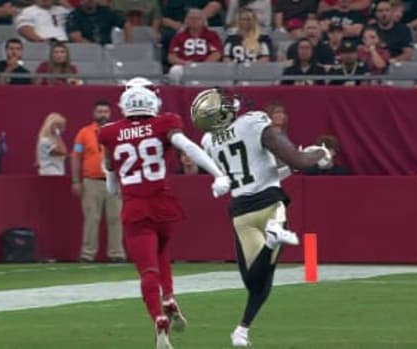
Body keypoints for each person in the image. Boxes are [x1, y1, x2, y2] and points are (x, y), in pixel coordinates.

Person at [191, 88, 331, 347]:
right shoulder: (253, 122)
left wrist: (291, 165)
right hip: (269, 205)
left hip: (241, 211)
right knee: (263, 276)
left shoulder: (208, 142)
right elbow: (297, 160)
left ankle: (242, 330)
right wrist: (320, 153)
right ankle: (272, 240)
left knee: (254, 281)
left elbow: (257, 171)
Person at [99, 78, 231, 349]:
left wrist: (115, 186)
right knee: (162, 253)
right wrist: (218, 174)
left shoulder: (110, 132)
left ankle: (159, 318)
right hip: (163, 204)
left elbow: (111, 175)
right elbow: (189, 147)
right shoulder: (164, 123)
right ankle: (168, 296)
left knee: (147, 270)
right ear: (151, 102)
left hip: (135, 207)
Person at [71, 100, 126, 263]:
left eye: (105, 112)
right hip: (91, 181)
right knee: (91, 218)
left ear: (110, 114)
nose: (102, 115)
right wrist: (76, 180)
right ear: (94, 113)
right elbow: (76, 156)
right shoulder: (84, 132)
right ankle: (88, 254)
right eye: (99, 112)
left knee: (116, 218)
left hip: (113, 181)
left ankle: (116, 253)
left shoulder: (118, 131)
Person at [167, 9, 223, 84]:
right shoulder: (179, 36)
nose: (194, 21)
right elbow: (172, 57)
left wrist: (202, 65)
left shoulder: (212, 35)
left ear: (203, 21)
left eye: (197, 18)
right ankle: (177, 93)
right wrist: (186, 63)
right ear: (186, 21)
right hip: (185, 65)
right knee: (174, 70)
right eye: (191, 18)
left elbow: (216, 54)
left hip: (206, 65)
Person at [66, 0, 131, 44]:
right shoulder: (74, 15)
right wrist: (95, 48)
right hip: (85, 50)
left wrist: (127, 44)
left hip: (107, 49)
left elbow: (126, 24)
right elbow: (75, 37)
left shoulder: (105, 12)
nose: (90, 1)